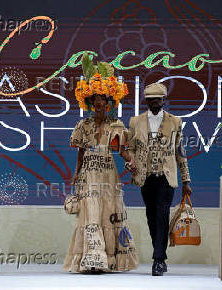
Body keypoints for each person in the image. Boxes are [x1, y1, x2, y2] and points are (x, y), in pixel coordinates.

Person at [63, 55, 139, 273]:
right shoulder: (83, 125)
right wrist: (76, 173)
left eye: (102, 103)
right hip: (89, 174)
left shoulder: (116, 125)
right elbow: (80, 151)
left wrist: (131, 162)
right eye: (95, 104)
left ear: (109, 104)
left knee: (108, 212)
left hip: (108, 174)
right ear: (90, 104)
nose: (99, 107)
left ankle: (109, 260)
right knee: (91, 214)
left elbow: (122, 151)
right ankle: (91, 260)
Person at [126, 82, 192, 276]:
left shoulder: (175, 122)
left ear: (164, 101)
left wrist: (186, 180)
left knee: (162, 214)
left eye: (158, 99)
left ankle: (158, 259)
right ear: (146, 101)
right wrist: (130, 161)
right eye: (151, 99)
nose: (155, 102)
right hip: (145, 176)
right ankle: (159, 254)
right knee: (151, 216)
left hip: (166, 176)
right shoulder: (135, 121)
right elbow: (130, 148)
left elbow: (180, 152)